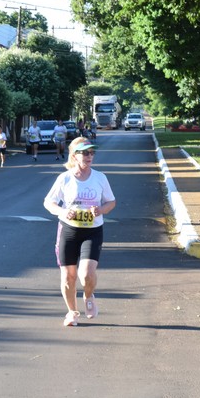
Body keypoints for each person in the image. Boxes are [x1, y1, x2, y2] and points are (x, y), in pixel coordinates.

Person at [43, 137, 116, 327]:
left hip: (92, 231)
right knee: (68, 277)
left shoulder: (100, 178)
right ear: (74, 155)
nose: (89, 156)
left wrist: (101, 210)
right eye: (85, 152)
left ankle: (89, 295)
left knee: (86, 275)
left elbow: (111, 202)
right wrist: (63, 211)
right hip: (68, 230)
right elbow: (48, 202)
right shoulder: (65, 178)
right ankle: (72, 312)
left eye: (92, 152)